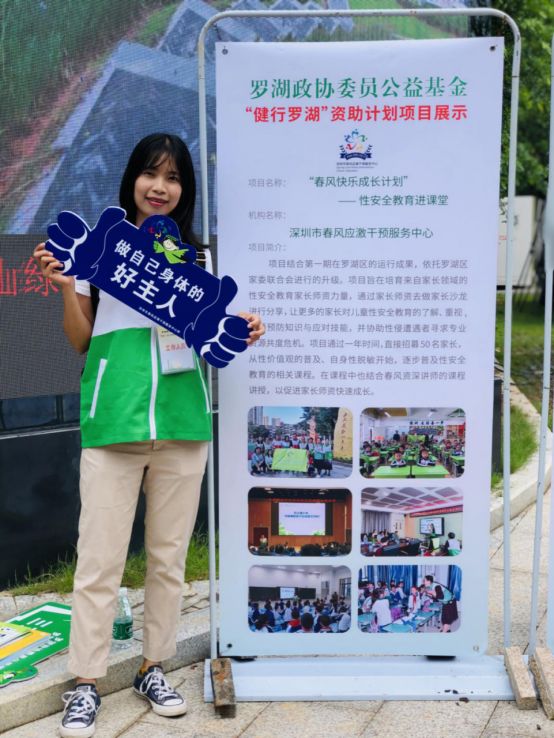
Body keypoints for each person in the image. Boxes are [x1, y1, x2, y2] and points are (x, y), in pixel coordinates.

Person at [34, 133, 265, 738]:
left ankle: (152, 667)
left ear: (185, 190)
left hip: (184, 426)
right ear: (132, 179)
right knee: (98, 561)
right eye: (150, 173)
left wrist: (241, 329)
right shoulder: (99, 249)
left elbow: (213, 339)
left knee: (168, 561)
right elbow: (80, 340)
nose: (160, 187)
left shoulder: (199, 262)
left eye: (173, 177)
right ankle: (85, 682)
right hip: (114, 420)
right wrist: (66, 287)